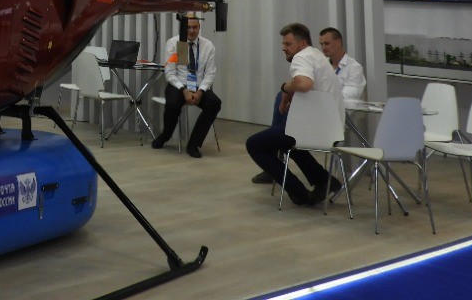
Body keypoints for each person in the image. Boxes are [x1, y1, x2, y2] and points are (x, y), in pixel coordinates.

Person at [245, 22, 345, 206]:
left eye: (288, 44)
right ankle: (324, 180)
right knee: (286, 141)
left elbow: (304, 83)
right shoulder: (317, 56)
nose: (284, 48)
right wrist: (288, 91)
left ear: (302, 43)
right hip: (333, 128)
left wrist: (285, 87)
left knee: (254, 144)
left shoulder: (302, 57)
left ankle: (300, 193)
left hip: (315, 129)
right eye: (283, 44)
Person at [152, 14, 222, 157]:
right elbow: (170, 73)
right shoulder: (174, 43)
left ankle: (193, 144)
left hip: (198, 86)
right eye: (188, 27)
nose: (191, 30)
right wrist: (184, 90)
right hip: (178, 84)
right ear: (183, 28)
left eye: (195, 27)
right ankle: (165, 135)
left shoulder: (208, 45)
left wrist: (200, 91)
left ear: (199, 28)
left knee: (215, 103)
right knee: (173, 104)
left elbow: (210, 73)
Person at [318, 26, 366, 101]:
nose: (323, 48)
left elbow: (348, 96)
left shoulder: (354, 68)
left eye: (327, 43)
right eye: (321, 44)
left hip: (343, 108)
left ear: (339, 42)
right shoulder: (321, 65)